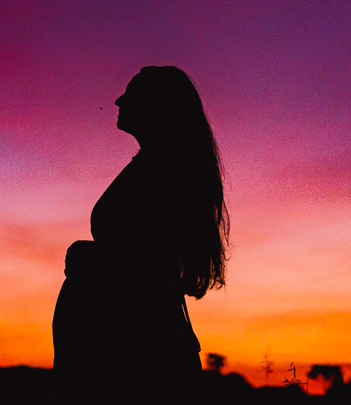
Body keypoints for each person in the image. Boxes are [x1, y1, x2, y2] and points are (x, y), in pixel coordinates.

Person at [52, 66, 229, 404]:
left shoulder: (164, 172)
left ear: (156, 106)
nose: (118, 100)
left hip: (136, 355)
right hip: (125, 350)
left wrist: (86, 256)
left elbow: (144, 264)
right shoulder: (157, 166)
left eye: (130, 93)